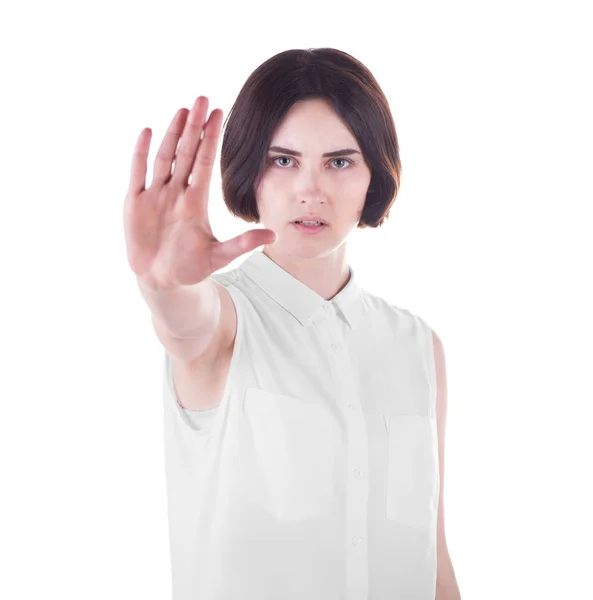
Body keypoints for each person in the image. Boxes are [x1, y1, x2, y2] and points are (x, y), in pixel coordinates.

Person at [123, 47, 460, 600]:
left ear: (374, 173)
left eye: (339, 161)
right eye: (283, 160)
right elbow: (184, 321)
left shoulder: (418, 346)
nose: (311, 189)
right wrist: (163, 283)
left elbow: (432, 553)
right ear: (249, 173)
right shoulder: (223, 320)